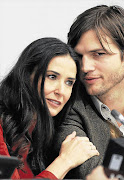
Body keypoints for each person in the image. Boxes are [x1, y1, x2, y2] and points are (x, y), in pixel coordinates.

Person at [53, 4, 124, 179]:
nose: (85, 67)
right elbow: (94, 173)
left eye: (98, 54)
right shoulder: (67, 106)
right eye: (79, 56)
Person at [0, 37, 99, 179]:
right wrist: (65, 161)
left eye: (69, 82)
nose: (61, 91)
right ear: (27, 75)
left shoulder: (42, 131)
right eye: (52, 77)